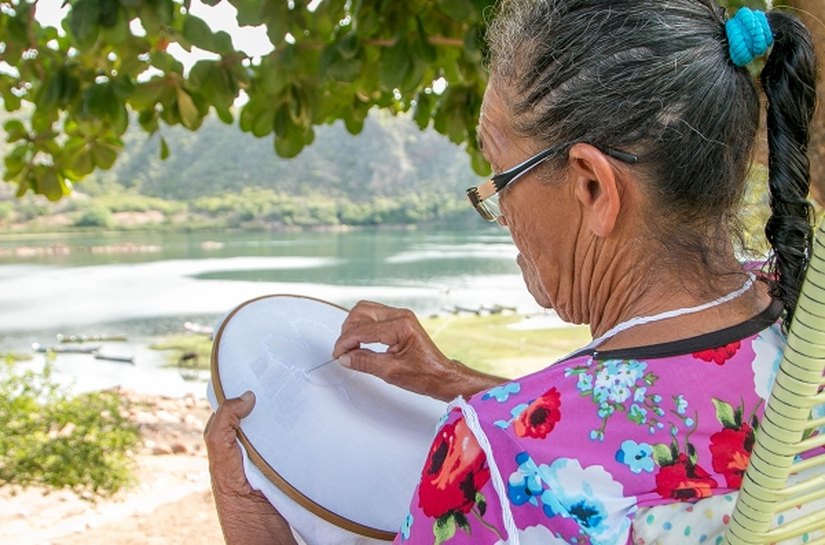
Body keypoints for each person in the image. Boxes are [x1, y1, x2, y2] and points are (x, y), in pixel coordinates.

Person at [205, 1, 818, 544]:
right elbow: (647, 428)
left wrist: (252, 520)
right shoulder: (798, 311)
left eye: (502, 176)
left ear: (592, 187)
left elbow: (561, 456)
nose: (500, 212)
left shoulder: (496, 462)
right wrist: (455, 380)